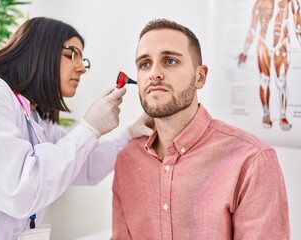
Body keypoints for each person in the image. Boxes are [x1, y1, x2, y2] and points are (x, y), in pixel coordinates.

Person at [0, 17, 153, 240]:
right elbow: (21, 191)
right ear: (39, 50)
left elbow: (86, 165)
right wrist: (89, 127)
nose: (81, 68)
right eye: (72, 54)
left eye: (83, 59)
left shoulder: (34, 117)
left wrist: (129, 134)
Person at [112, 18, 290, 239]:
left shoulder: (252, 161)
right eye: (144, 64)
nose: (154, 73)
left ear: (200, 76)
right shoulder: (127, 159)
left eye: (169, 61)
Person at [238, 0, 297, 130]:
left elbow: (298, 23)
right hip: (264, 44)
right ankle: (266, 114)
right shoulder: (260, 3)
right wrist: (245, 51)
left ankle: (282, 115)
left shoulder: (290, 1)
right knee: (264, 80)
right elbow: (252, 29)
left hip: (282, 43)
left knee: (281, 81)